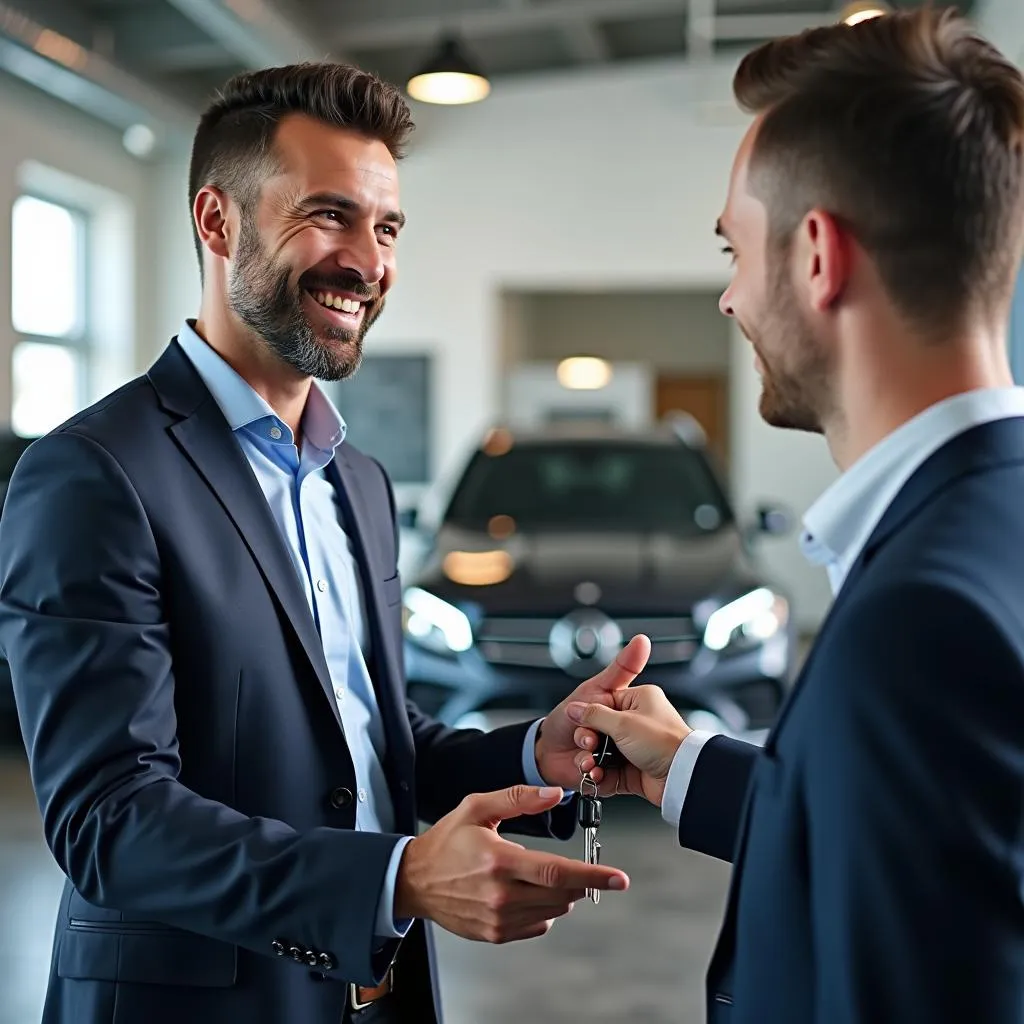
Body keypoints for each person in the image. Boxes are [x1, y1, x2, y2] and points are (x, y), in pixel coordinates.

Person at [0, 64, 642, 1024]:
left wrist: (534, 749)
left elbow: (372, 742)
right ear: (217, 223)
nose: (368, 261)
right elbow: (111, 819)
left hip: (376, 996)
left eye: (385, 229)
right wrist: (396, 878)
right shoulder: (94, 472)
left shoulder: (360, 482)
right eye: (329, 215)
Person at [568, 7, 1024, 1023]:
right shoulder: (989, 529)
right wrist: (687, 766)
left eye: (734, 249)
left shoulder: (921, 619)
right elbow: (914, 849)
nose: (729, 299)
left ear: (817, 256)